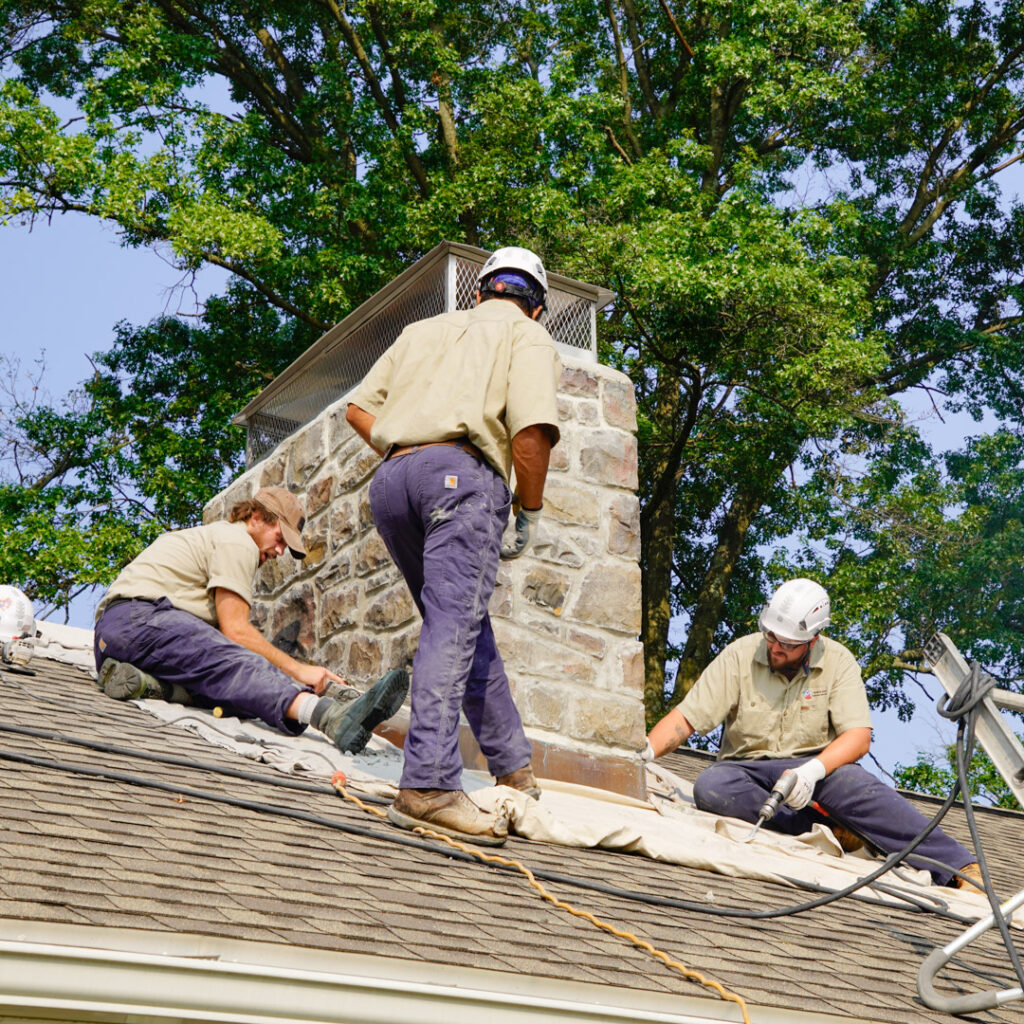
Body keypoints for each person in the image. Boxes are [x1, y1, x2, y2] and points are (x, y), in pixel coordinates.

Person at [346, 245, 561, 846]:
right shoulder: (528, 336)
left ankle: (511, 767)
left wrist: (404, 447)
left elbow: (359, 410)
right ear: (536, 306)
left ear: (480, 291)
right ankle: (430, 788)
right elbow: (532, 432)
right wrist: (529, 507)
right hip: (458, 479)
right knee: (452, 627)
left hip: (392, 482)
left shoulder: (423, 329)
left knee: (460, 622)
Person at [645, 578, 982, 888]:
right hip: (747, 772)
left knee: (857, 786)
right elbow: (685, 720)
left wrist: (812, 771)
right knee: (712, 787)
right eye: (771, 636)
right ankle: (833, 832)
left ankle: (957, 866)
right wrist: (644, 752)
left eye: (788, 644)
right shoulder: (739, 656)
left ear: (813, 639)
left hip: (820, 773)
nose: (776, 647)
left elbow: (858, 736)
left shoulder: (839, 662)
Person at [94, 486, 407, 753]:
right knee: (234, 660)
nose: (281, 550)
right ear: (255, 516)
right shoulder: (237, 540)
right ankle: (329, 716)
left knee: (240, 694)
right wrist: (300, 670)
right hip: (138, 619)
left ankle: (150, 686)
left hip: (119, 640)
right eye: (280, 537)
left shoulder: (221, 543)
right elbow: (237, 633)